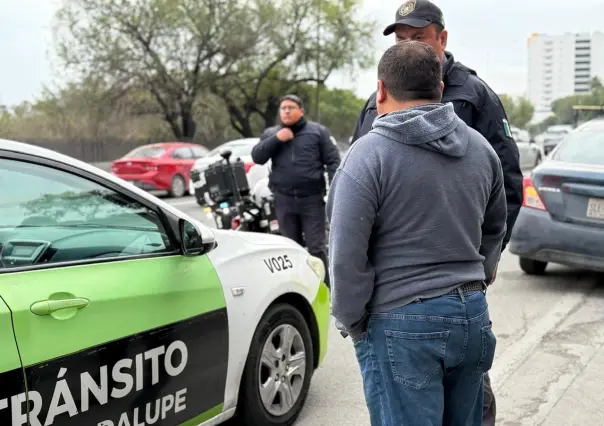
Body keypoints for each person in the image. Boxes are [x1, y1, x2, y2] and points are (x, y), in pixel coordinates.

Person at [350, 1, 523, 423]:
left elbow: (505, 188)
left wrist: (484, 265)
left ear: (442, 39)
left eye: (419, 37)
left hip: (455, 290)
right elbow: (353, 204)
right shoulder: (377, 104)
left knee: (469, 401)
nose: (410, 46)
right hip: (396, 292)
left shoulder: (475, 95)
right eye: (402, 38)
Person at [251, 95, 340, 286]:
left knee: (316, 248)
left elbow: (333, 162)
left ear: (301, 111)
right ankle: (301, 288)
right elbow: (257, 157)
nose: (286, 111)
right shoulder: (272, 133)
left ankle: (325, 288)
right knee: (292, 248)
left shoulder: (318, 132)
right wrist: (277, 139)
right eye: (283, 108)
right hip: (284, 200)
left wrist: (335, 190)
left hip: (312, 200)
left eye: (291, 107)